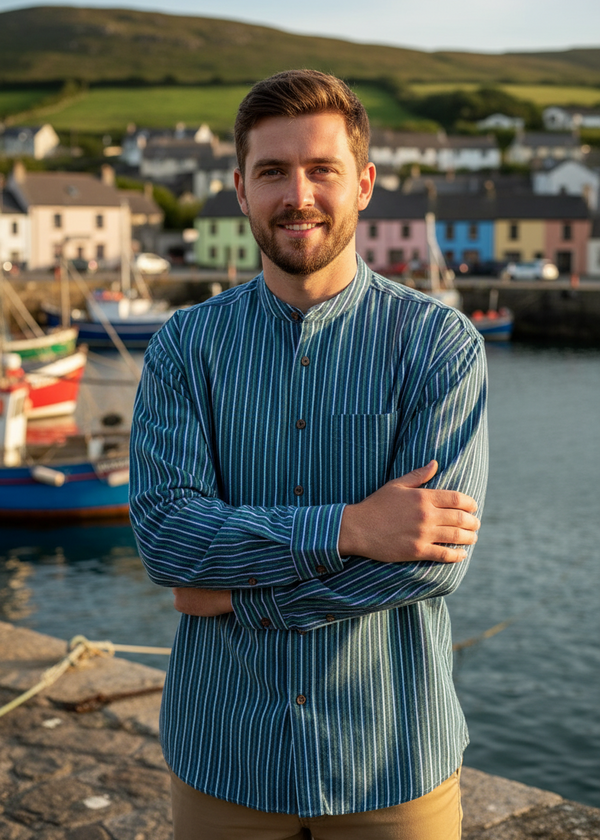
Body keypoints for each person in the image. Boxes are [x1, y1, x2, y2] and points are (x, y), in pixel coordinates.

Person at [129, 69, 488, 840]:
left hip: (391, 762)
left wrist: (236, 599)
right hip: (225, 756)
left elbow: (432, 564)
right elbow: (167, 538)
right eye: (272, 172)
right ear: (240, 190)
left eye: (322, 169)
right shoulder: (185, 348)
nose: (299, 195)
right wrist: (350, 529)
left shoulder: (439, 344)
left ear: (363, 184)